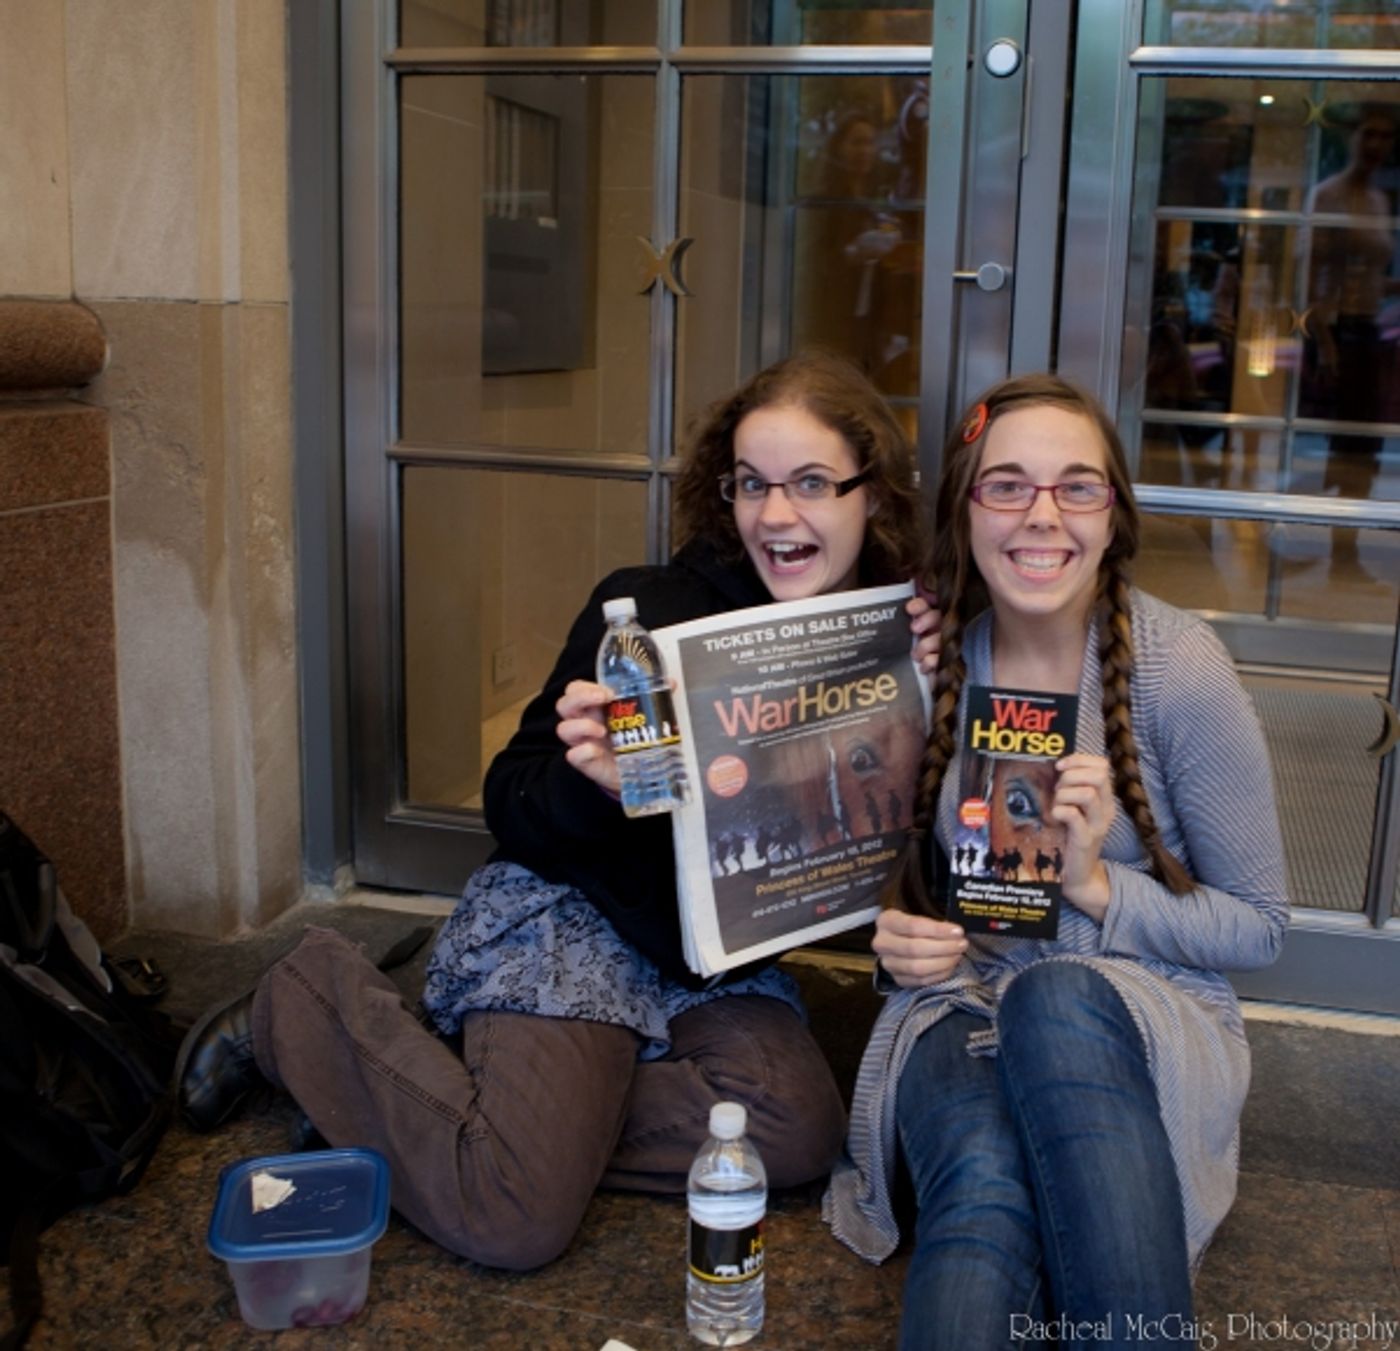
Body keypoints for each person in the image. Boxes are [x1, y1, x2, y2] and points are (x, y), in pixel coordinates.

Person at [175, 352, 929, 1271]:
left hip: (710, 968)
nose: (776, 514)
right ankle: (303, 1001)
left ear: (873, 495)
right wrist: (596, 784)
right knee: (514, 1218)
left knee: (797, 1135)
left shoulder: (895, 640)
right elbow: (511, 799)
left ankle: (444, 1100)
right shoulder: (647, 613)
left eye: (811, 483)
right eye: (751, 484)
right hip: (580, 924)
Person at [824, 374, 1289, 1349]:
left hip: (1134, 1008)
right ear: (964, 507)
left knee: (1055, 1000)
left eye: (1076, 486)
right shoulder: (929, 655)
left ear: (1112, 515)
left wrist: (1092, 886)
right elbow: (875, 874)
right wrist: (895, 945)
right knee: (984, 1197)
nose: (1042, 515)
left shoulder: (1175, 667)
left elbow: (1257, 922)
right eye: (1007, 486)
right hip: (963, 998)